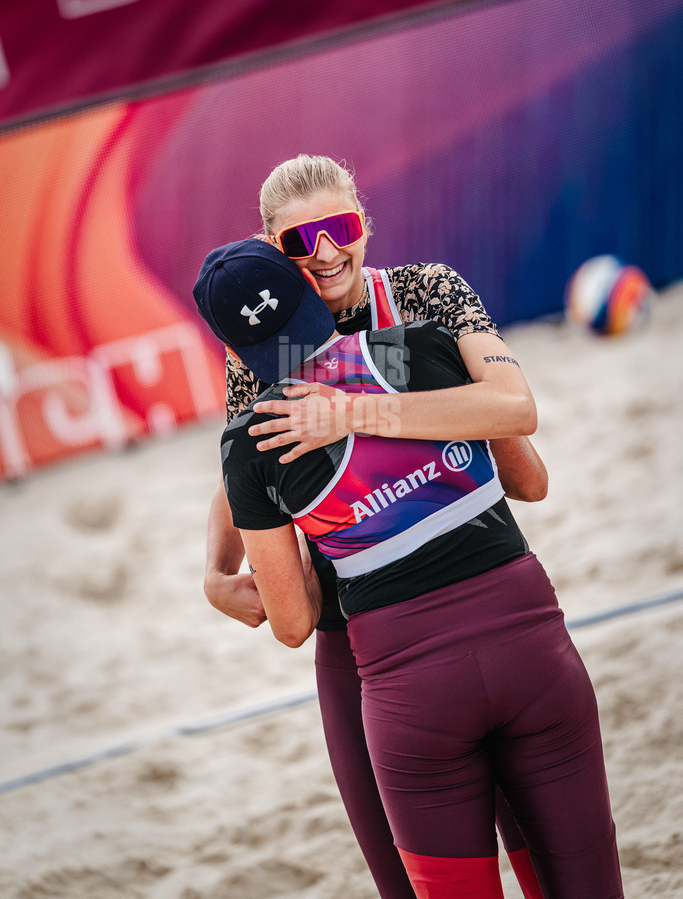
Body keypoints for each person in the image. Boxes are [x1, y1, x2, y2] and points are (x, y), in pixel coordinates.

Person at [193, 239, 623, 899]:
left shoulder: (249, 446)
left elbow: (292, 623)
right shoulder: (421, 346)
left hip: (408, 688)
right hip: (532, 647)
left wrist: (331, 531)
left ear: (230, 352)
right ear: (309, 290)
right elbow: (527, 478)